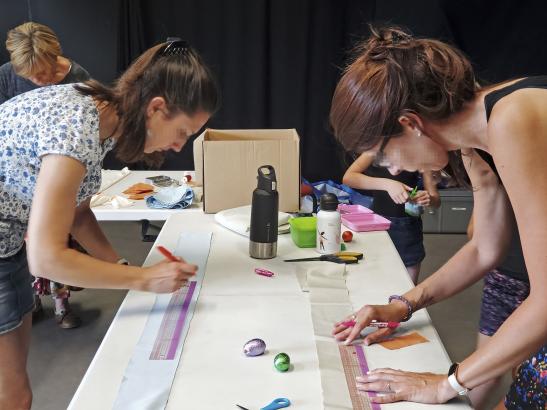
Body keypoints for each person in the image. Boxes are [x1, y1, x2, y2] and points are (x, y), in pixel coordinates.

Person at [329, 26, 546, 408]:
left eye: (383, 157)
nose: (391, 171)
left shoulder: (512, 118)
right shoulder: (473, 146)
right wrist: (403, 305)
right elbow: (484, 249)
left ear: (409, 124)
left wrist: (446, 384)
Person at [0, 38, 219, 410]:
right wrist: (144, 279)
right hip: (10, 245)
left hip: (11, 241)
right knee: (14, 395)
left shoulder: (100, 113)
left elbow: (78, 214)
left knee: (14, 383)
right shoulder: (76, 128)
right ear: (157, 108)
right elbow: (47, 259)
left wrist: (121, 268)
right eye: (182, 132)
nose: (180, 146)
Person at [1, 21, 92, 328]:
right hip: (18, 178)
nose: (39, 80)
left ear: (56, 57)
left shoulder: (77, 78)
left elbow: (85, 136)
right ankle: (33, 298)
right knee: (24, 244)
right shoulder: (6, 76)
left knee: (58, 238)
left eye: (45, 71)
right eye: (31, 74)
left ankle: (62, 302)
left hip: (57, 174)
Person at [467, 205, 530, 409]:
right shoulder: (495, 176)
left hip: (533, 286)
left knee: (528, 376)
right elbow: (476, 236)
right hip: (503, 279)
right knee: (486, 372)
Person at [343, 154, 440, 284]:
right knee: (375, 280)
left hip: (407, 229)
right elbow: (348, 178)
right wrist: (388, 184)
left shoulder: (420, 152)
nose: (395, 170)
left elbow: (436, 200)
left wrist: (428, 198)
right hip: (376, 225)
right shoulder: (375, 148)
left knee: (407, 288)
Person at [0, 22, 90, 104]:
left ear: (54, 58)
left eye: (41, 73)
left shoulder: (78, 78)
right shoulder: (4, 76)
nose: (35, 80)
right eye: (27, 74)